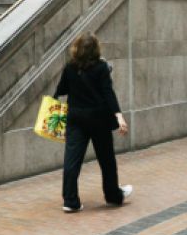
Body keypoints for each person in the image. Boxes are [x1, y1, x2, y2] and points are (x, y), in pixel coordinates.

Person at [53, 33, 132, 212]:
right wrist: (119, 116)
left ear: (77, 48)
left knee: (72, 161)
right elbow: (108, 92)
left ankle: (70, 201)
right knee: (107, 160)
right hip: (99, 120)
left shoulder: (70, 67)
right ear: (96, 49)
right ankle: (113, 196)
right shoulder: (101, 67)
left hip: (76, 119)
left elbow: (61, 89)